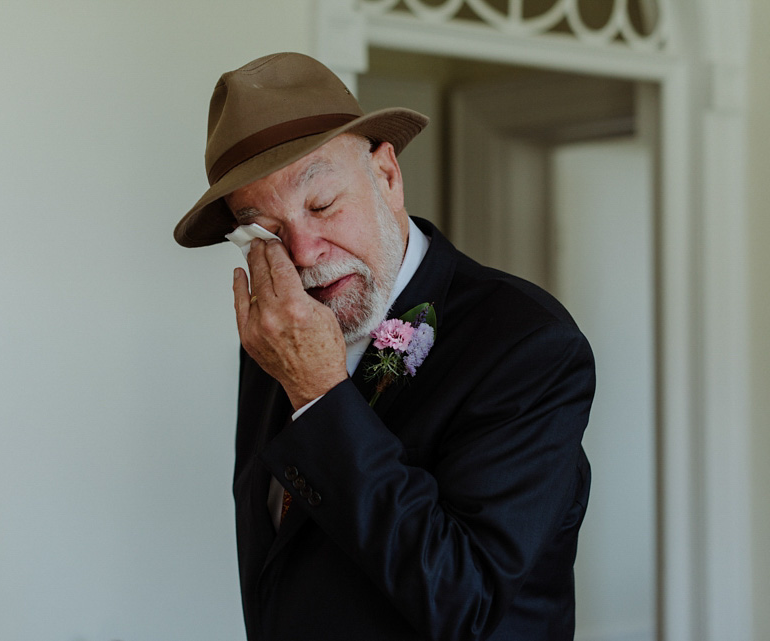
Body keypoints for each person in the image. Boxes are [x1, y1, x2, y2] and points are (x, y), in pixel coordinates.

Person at [174, 52, 595, 641]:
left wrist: (320, 393)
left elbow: (464, 603)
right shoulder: (274, 341)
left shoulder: (527, 344)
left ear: (387, 176)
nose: (302, 252)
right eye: (265, 231)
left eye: (321, 205)